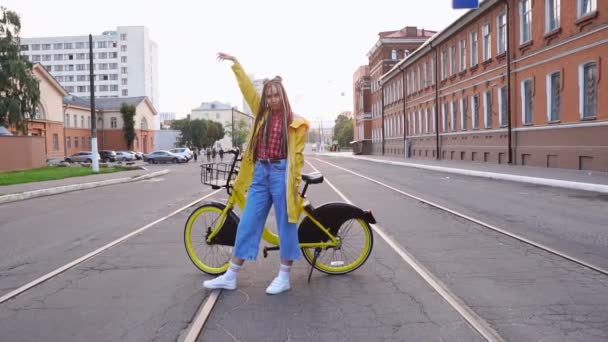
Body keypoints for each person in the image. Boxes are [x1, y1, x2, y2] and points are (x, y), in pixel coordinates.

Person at [203, 52, 309, 295]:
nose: (271, 99)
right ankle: (230, 275)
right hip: (261, 173)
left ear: (283, 96)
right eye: (268, 95)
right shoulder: (261, 114)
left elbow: (299, 157)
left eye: (275, 95)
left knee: (286, 225)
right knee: (248, 222)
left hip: (282, 173)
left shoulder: (295, 122)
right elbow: (247, 89)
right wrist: (236, 64)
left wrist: (292, 184)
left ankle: (284, 276)